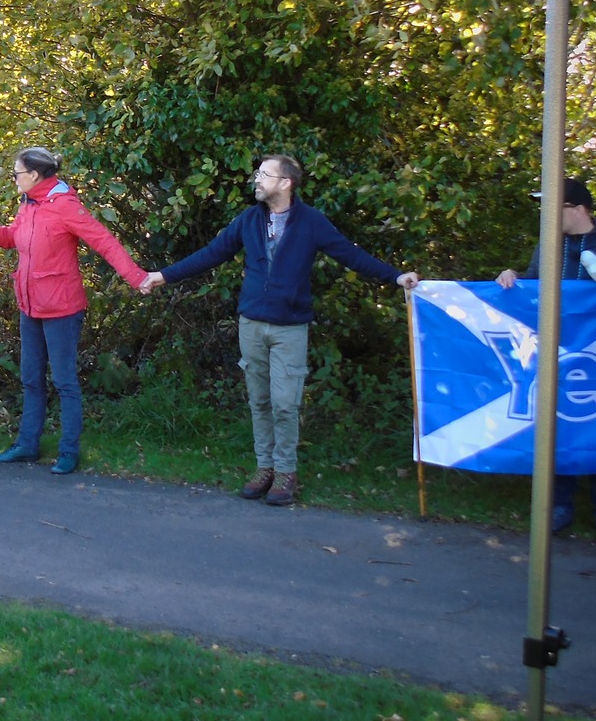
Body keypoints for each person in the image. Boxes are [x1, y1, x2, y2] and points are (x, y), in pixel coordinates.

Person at [144, 154, 419, 506]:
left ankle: (286, 472)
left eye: (264, 174)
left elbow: (351, 255)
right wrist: (163, 276)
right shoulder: (248, 220)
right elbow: (211, 254)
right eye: (257, 173)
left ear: (286, 183)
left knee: (286, 404)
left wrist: (395, 276)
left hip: (290, 328)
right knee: (259, 401)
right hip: (252, 325)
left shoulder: (311, 222)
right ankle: (265, 468)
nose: (257, 179)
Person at [0, 146, 148, 476]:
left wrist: (137, 277)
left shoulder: (65, 205)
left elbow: (104, 241)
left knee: (64, 382)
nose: (14, 178)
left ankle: (68, 451)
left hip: (62, 308)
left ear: (34, 175)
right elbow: (13, 237)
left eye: (17, 173)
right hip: (30, 306)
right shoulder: (29, 204)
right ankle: (27, 445)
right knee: (31, 378)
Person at [496, 176, 596, 542]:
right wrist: (512, 278)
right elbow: (531, 292)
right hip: (557, 356)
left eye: (553, 206)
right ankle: (561, 506)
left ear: (577, 209)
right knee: (559, 427)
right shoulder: (549, 245)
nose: (546, 214)